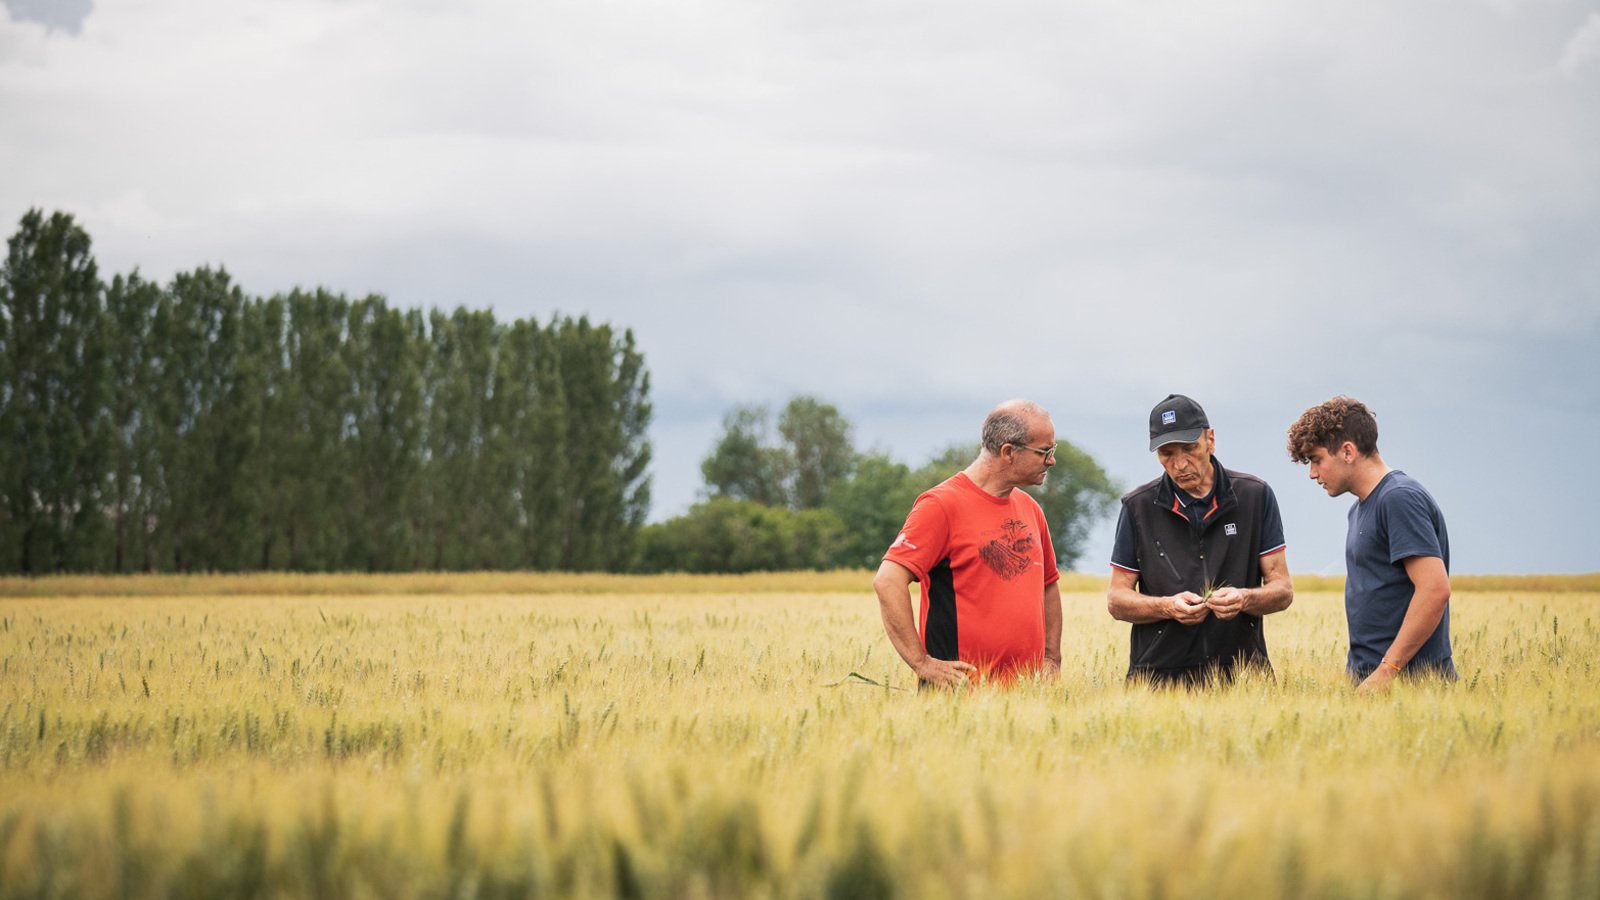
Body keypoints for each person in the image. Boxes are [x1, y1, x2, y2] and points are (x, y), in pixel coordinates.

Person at [1107, 394, 1294, 686]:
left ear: (1211, 440)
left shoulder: (1255, 496)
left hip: (1244, 681)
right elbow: (1117, 600)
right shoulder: (1137, 507)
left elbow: (1282, 590)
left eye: (1189, 448)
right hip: (1157, 683)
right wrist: (1166, 606)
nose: (1179, 464)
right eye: (1166, 453)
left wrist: (1243, 598)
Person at [873, 400, 1063, 687]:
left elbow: (1048, 584)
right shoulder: (940, 505)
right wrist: (921, 663)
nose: (1051, 460)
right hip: (958, 699)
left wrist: (1051, 658)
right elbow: (888, 581)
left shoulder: (1030, 509)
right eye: (1044, 451)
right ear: (1009, 452)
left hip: (1027, 699)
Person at [1287, 396, 1455, 691]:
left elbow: (1434, 589)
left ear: (1348, 451)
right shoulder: (1360, 508)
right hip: (1375, 685)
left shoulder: (1398, 498)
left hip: (1413, 688)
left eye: (1316, 460)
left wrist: (1387, 671)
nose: (1312, 474)